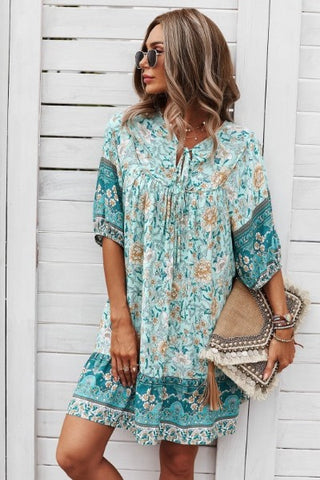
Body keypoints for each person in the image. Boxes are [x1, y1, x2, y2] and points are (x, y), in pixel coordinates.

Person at [56, 8, 296, 480]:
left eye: (157, 52)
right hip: (132, 326)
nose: (144, 61)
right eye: (143, 52)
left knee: (176, 464)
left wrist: (282, 330)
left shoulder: (237, 149)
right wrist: (121, 323)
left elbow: (258, 243)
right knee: (75, 454)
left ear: (191, 57)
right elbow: (111, 231)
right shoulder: (126, 135)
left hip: (196, 338)